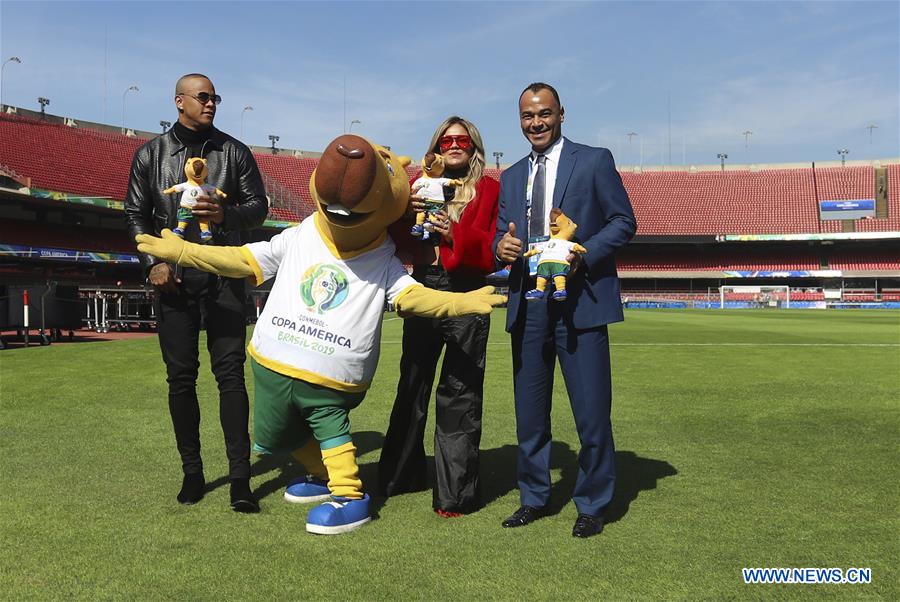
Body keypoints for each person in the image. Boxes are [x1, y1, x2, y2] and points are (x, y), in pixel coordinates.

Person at [493, 83, 637, 538]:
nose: (536, 123)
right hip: (529, 303)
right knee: (530, 415)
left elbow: (623, 222)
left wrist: (582, 254)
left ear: (561, 114)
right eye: (527, 115)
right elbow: (501, 235)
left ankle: (592, 503)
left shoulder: (593, 160)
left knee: (591, 415)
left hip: (581, 304)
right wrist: (502, 247)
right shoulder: (511, 175)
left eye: (544, 113)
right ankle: (534, 497)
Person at [124, 73, 268, 512]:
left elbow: (259, 208)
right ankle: (193, 472)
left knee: (231, 376)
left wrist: (224, 214)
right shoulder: (151, 154)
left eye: (214, 98)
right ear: (179, 101)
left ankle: (240, 478)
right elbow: (135, 213)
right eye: (203, 97)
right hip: (174, 281)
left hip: (223, 275)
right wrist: (154, 263)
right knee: (181, 378)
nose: (211, 104)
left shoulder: (234, 152)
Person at [378, 116, 500, 517]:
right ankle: (400, 476)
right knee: (411, 384)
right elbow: (396, 239)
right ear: (436, 147)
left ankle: (455, 494)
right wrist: (403, 215)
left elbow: (494, 246)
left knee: (460, 392)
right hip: (424, 286)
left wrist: (453, 233)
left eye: (462, 140)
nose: (454, 146)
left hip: (467, 289)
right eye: (446, 141)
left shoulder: (489, 189)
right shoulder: (416, 185)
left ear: (474, 146)